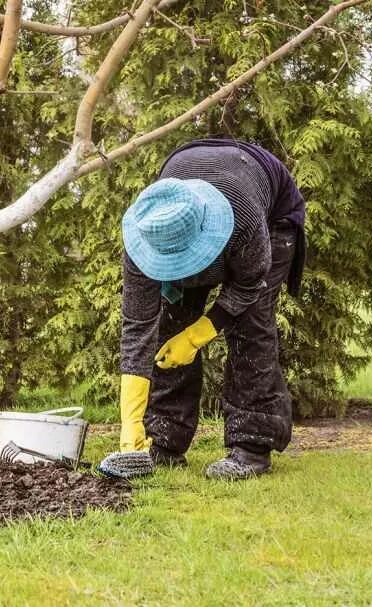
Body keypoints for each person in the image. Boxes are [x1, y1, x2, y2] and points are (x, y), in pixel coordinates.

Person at [98, 138, 306, 480]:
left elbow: (249, 285)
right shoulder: (148, 229)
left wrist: (198, 336)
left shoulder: (245, 219)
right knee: (171, 322)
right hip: (205, 186)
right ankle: (162, 440)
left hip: (270, 213)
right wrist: (130, 422)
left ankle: (251, 447)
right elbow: (138, 325)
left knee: (250, 325)